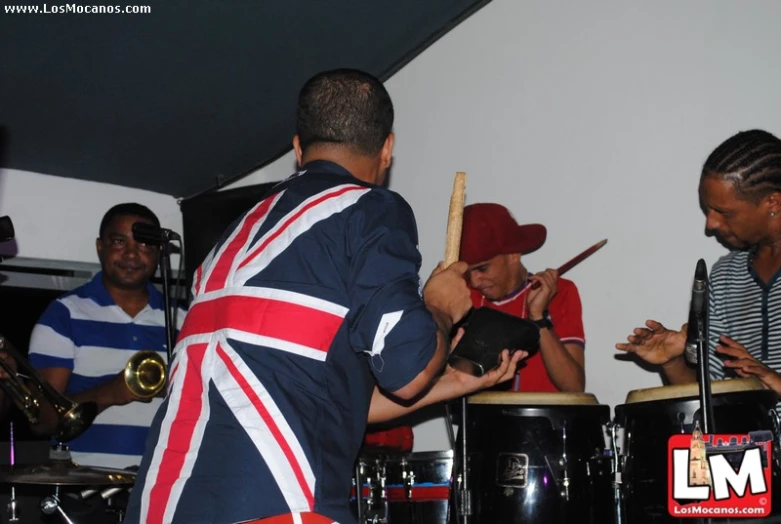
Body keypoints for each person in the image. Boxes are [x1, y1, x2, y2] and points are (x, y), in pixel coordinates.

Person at [123, 69, 525, 524]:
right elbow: (408, 372)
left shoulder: (235, 234)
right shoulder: (369, 210)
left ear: (298, 148)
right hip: (277, 503)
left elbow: (324, 398)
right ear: (387, 149)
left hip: (161, 504)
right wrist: (440, 305)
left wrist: (452, 384)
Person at [616, 129, 781, 393]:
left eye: (723, 212)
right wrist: (672, 363)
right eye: (707, 210)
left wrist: (771, 379)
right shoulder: (726, 275)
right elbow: (712, 395)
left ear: (772, 202)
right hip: (744, 436)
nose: (711, 223)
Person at [26, 203, 184, 469]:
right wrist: (113, 392)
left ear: (159, 252)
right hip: (86, 491)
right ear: (101, 247)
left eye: (144, 244)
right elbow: (42, 420)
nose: (132, 254)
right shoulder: (64, 315)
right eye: (119, 241)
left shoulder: (182, 320)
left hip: (163, 488)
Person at [459, 203, 586, 392]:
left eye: (482, 268)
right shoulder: (462, 296)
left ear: (513, 255)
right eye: (468, 273)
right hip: (480, 420)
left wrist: (538, 317)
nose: (475, 282)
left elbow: (574, 387)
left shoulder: (560, 292)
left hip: (544, 419)